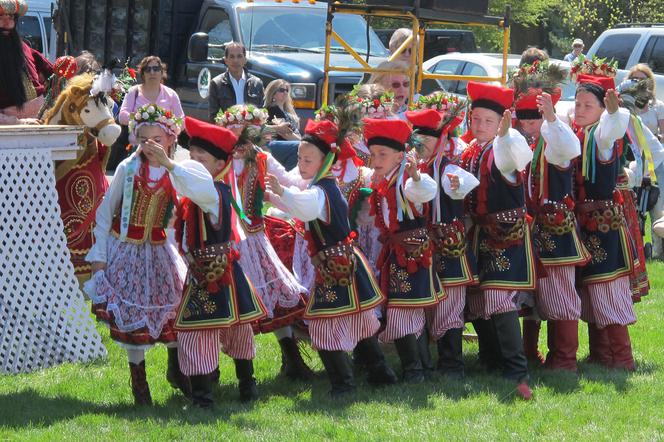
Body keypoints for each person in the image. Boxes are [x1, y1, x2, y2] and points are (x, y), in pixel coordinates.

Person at [85, 104, 217, 405]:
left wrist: (170, 165)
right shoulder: (127, 168)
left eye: (156, 138)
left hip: (161, 249)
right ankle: (139, 382)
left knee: (173, 309)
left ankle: (177, 369)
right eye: (144, 139)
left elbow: (200, 195)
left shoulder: (178, 169)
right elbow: (105, 214)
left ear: (170, 139)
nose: (149, 145)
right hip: (127, 249)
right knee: (134, 314)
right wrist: (100, 256)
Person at [266, 119, 397, 396]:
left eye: (308, 159)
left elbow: (305, 206)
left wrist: (280, 192)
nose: (302, 164)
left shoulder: (321, 190)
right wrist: (274, 194)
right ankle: (380, 372)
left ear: (325, 161)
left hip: (337, 267)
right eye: (300, 158)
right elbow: (301, 204)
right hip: (341, 264)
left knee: (325, 326)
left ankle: (344, 384)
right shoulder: (321, 186)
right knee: (358, 321)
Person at [174, 117, 268, 407]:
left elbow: (196, 185)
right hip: (204, 272)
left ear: (219, 165)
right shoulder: (202, 193)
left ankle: (243, 386)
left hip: (219, 272)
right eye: (191, 156)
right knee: (205, 333)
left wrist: (168, 164)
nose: (193, 162)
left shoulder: (212, 193)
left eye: (201, 158)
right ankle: (207, 396)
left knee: (226, 331)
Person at [216, 104, 313, 380]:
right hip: (228, 242)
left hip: (256, 240)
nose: (242, 142)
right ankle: (225, 370)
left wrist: (313, 177)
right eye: (237, 134)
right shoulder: (219, 159)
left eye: (248, 135)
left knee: (277, 298)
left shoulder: (262, 158)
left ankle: (292, 359)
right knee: (234, 303)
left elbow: (287, 181)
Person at [460, 81, 534, 400]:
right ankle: (491, 357)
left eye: (488, 121)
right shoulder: (473, 151)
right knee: (477, 298)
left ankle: (516, 368)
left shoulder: (503, 146)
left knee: (499, 297)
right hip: (481, 235)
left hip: (506, 235)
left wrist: (505, 135)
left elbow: (518, 159)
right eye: (476, 119)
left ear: (501, 123)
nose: (480, 126)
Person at [514, 62, 587, 372]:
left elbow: (570, 149)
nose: (527, 124)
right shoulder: (514, 141)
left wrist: (553, 119)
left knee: (559, 294)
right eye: (523, 118)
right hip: (526, 232)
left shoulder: (555, 140)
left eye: (534, 117)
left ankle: (564, 359)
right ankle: (528, 352)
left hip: (555, 230)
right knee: (528, 298)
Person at [366, 118, 443, 383]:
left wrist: (417, 176)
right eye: (373, 154)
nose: (376, 159)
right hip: (398, 254)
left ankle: (415, 371)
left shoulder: (406, 180)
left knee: (403, 312)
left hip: (411, 254)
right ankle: (421, 368)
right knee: (405, 310)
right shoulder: (385, 179)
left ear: (400, 156)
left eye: (383, 154)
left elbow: (425, 192)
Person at [405, 105, 479, 379]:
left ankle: (452, 365)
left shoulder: (448, 168)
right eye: (417, 139)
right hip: (424, 247)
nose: (421, 145)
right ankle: (428, 361)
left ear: (444, 142)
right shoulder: (413, 168)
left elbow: (465, 183)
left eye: (428, 140)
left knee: (450, 303)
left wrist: (458, 184)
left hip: (449, 247)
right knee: (425, 303)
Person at [572, 71, 638, 371]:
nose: (580, 110)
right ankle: (601, 354)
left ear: (601, 110)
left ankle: (621, 358)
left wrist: (613, 114)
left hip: (604, 226)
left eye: (588, 105)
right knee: (590, 288)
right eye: (578, 104)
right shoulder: (580, 135)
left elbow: (612, 130)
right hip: (585, 224)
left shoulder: (601, 135)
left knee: (606, 287)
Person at [109, 56, 185, 171]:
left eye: (156, 68)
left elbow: (182, 121)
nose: (152, 72)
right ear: (143, 74)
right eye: (148, 69)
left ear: (162, 72)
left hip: (165, 151)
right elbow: (122, 116)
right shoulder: (134, 92)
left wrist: (169, 123)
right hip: (138, 148)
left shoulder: (171, 94)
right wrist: (142, 116)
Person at [625, 64, 664, 259]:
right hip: (630, 160)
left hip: (648, 160)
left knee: (658, 205)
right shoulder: (627, 113)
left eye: (641, 79)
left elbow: (659, 143)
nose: (638, 83)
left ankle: (659, 250)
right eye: (634, 79)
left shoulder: (655, 107)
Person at [0, 0, 53, 124]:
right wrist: (19, 122)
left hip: (42, 121)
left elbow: (54, 73)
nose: (7, 23)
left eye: (11, 17)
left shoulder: (24, 48)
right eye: (1, 17)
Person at [208, 42, 264, 122]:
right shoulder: (216, 84)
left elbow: (262, 113)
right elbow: (213, 117)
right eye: (231, 57)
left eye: (239, 56)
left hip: (252, 132)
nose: (235, 60)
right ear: (226, 60)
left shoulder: (257, 83)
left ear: (245, 60)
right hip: (227, 132)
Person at [265, 79, 301, 170]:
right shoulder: (273, 109)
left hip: (287, 146)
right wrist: (306, 142)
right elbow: (286, 134)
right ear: (273, 93)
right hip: (278, 146)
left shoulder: (286, 111)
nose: (285, 92)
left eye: (287, 90)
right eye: (281, 90)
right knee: (301, 147)